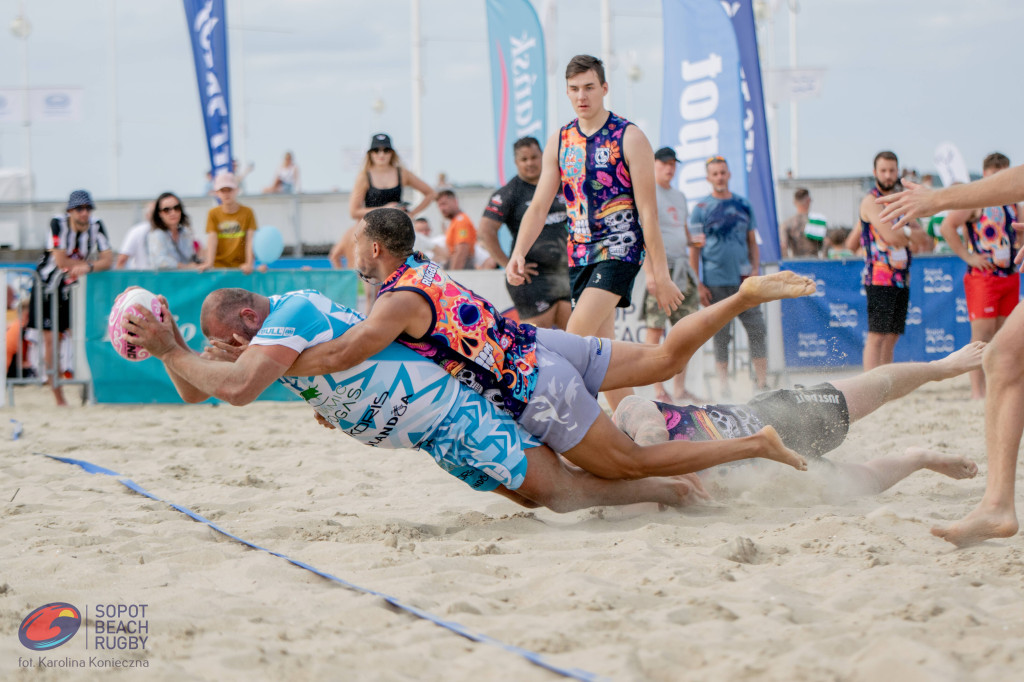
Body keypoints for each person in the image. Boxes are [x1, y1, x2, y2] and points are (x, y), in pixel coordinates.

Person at [123, 288, 804, 512]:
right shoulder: (278, 339)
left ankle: (685, 483)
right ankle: (680, 481)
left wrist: (181, 352)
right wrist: (172, 346)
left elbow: (236, 389)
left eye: (223, 341)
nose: (223, 354)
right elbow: (204, 389)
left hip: (472, 402)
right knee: (568, 482)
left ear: (245, 322)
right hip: (471, 397)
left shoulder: (289, 320)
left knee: (583, 480)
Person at [288, 207, 816, 482]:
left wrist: (287, 366)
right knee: (665, 358)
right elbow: (375, 345)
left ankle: (757, 444)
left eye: (357, 241)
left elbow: (346, 352)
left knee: (630, 464)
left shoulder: (395, 301)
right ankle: (744, 298)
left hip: (536, 388)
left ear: (375, 248)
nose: (352, 249)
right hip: (543, 344)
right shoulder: (421, 271)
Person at [505, 55, 683, 412]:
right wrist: (518, 251)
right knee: (605, 360)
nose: (581, 95)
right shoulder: (561, 139)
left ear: (604, 88)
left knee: (573, 336)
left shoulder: (630, 137)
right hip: (580, 255)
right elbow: (538, 206)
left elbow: (649, 211)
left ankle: (547, 417)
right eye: (574, 89)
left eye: (589, 87)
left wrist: (658, 274)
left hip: (620, 250)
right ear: (567, 92)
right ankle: (639, 433)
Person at [614, 343, 984, 498]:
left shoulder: (625, 414)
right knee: (863, 484)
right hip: (770, 475)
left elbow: (650, 433)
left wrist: (657, 471)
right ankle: (918, 458)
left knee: (873, 389)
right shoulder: (619, 486)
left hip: (773, 418)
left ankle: (940, 367)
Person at [877, 162, 1024, 546]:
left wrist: (938, 197)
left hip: (1001, 274)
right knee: (1002, 356)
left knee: (1001, 354)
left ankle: (997, 504)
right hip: (986, 274)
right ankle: (997, 505)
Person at [937, 153, 1020, 400]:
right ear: (985, 175)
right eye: (994, 175)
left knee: (1003, 337)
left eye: (1004, 174)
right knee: (981, 336)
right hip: (983, 277)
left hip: (1009, 274)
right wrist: (969, 257)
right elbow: (946, 226)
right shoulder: (977, 200)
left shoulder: (1014, 202)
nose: (999, 180)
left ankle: (998, 388)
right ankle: (977, 393)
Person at [689, 156, 768, 397]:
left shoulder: (744, 204)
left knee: (757, 329)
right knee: (721, 335)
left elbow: (752, 241)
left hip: (745, 281)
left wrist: (755, 269)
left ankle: (762, 383)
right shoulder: (700, 210)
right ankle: (723, 385)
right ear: (708, 178)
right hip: (715, 282)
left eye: (723, 172)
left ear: (729, 174)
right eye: (715, 174)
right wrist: (698, 283)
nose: (719, 177)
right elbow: (695, 249)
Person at [30, 189, 113, 405]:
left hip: (74, 288)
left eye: (87, 208)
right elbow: (60, 261)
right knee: (51, 340)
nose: (84, 213)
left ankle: (87, 390)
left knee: (84, 335)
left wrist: (87, 267)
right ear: (70, 211)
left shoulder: (96, 226)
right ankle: (59, 397)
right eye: (79, 209)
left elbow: (108, 259)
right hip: (48, 287)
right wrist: (88, 266)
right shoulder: (57, 224)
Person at [479, 136, 571, 329]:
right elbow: (486, 229)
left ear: (543, 156)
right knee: (539, 344)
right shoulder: (510, 192)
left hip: (566, 273)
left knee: (575, 340)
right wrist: (507, 263)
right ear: (516, 162)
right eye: (524, 159)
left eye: (534, 157)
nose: (530, 163)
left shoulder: (562, 183)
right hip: (531, 278)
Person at [644, 147, 702, 404]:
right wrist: (651, 273)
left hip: (682, 269)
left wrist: (692, 242)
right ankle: (657, 389)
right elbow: (644, 234)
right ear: (654, 164)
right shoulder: (648, 192)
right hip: (660, 266)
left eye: (672, 164)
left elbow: (683, 230)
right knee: (656, 329)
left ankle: (679, 389)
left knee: (686, 331)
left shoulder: (679, 196)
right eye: (664, 163)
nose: (669, 168)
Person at [858, 151, 925, 370]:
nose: (888, 175)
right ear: (875, 172)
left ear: (898, 171)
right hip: (879, 277)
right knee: (877, 335)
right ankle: (869, 384)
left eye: (892, 170)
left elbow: (924, 240)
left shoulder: (901, 199)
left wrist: (906, 234)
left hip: (901, 277)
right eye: (883, 170)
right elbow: (891, 236)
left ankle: (884, 383)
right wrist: (908, 233)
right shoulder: (871, 201)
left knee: (892, 336)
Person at [198, 172, 263, 275]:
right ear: (217, 193)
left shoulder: (248, 212)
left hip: (240, 269)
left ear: (236, 190)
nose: (226, 193)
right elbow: (212, 238)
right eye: (222, 190)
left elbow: (250, 239)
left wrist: (249, 263)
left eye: (230, 190)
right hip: (218, 268)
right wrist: (209, 263)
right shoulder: (213, 213)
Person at [148, 192, 201, 270]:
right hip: (164, 280)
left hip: (185, 279)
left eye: (176, 208)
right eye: (166, 210)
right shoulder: (157, 234)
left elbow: (190, 257)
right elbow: (160, 261)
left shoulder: (185, 233)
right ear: (159, 213)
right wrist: (184, 267)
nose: (173, 212)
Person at [780, 188, 825, 258]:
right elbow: (826, 243)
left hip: (796, 263)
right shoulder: (818, 221)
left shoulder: (787, 223)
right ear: (809, 200)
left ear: (794, 202)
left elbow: (783, 246)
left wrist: (787, 264)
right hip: (815, 263)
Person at [437, 189, 477, 270]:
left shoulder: (461, 220)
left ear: (455, 202)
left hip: (462, 266)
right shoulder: (455, 221)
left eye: (444, 204)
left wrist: (454, 275)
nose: (442, 208)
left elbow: (461, 251)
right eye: (439, 205)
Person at [115, 202, 156, 270]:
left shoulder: (136, 230)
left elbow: (122, 259)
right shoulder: (137, 231)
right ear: (147, 215)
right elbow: (122, 259)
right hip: (143, 277)